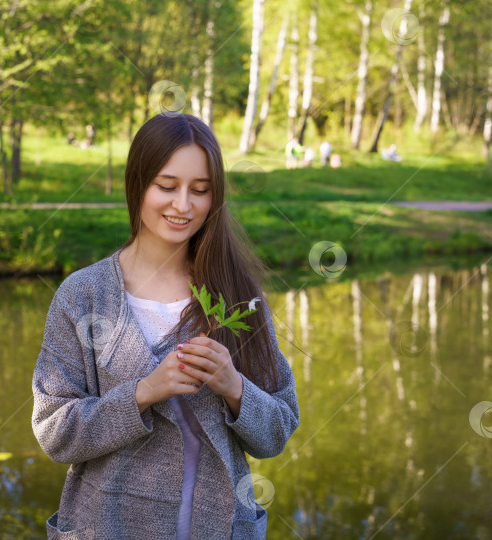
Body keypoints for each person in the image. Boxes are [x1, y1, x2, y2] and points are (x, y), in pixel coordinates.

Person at [32, 113, 300, 540]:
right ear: (137, 183)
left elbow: (278, 431)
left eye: (200, 190)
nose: (183, 206)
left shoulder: (236, 294)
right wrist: (143, 393)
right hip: (109, 526)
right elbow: (55, 433)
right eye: (167, 186)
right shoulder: (82, 296)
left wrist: (235, 388)